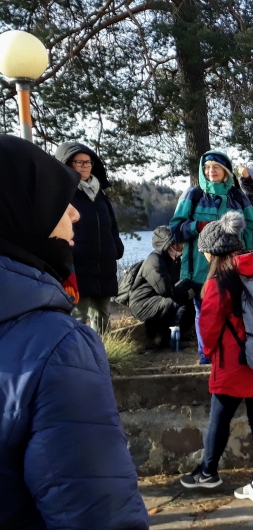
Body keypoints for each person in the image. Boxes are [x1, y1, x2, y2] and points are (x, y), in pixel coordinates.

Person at [0, 134, 148, 528]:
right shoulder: (59, 346)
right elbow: (97, 512)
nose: (75, 214)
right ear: (22, 210)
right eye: (56, 199)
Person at [179, 211, 253, 504]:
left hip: (233, 364)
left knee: (219, 421)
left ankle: (208, 472)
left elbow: (208, 327)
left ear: (214, 252)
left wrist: (209, 353)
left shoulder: (218, 281)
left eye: (206, 254)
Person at [170, 150, 253, 364]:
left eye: (216, 167)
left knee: (235, 311)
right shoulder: (192, 195)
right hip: (199, 270)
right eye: (207, 168)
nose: (211, 171)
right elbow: (175, 229)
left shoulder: (237, 196)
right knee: (204, 313)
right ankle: (207, 357)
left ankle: (234, 354)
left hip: (234, 268)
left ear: (226, 172)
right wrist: (198, 226)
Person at [54, 141, 125, 335]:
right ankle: (79, 357)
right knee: (78, 315)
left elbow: (111, 224)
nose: (85, 166)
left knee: (102, 314)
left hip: (104, 264)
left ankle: (103, 356)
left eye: (88, 162)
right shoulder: (63, 194)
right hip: (78, 265)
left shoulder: (100, 193)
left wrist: (116, 247)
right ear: (67, 164)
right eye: (80, 162)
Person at [128, 225, 196, 347]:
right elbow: (165, 290)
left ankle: (179, 334)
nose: (181, 248)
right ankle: (170, 339)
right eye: (177, 245)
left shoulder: (173, 260)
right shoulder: (154, 261)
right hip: (142, 303)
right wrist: (187, 292)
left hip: (158, 300)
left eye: (181, 244)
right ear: (166, 245)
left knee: (191, 299)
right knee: (178, 300)